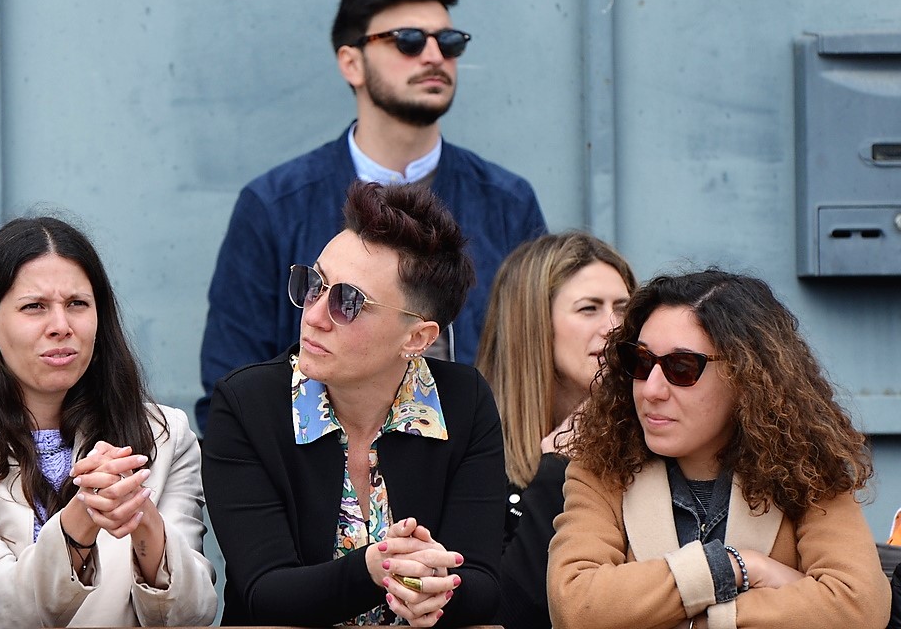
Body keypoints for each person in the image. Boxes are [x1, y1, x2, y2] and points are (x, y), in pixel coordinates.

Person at [195, 0, 546, 431]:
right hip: (315, 470)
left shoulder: (508, 202)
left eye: (449, 42)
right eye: (408, 40)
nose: (434, 56)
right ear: (351, 63)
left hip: (485, 465)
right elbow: (231, 387)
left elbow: (540, 366)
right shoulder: (274, 205)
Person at [204, 181, 504, 627]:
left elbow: (483, 583)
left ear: (417, 338)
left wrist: (435, 588)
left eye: (348, 302)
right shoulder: (246, 405)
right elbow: (263, 590)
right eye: (314, 284)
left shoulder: (464, 401)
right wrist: (374, 569)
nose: (314, 315)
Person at [0, 216, 217, 628]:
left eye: (77, 304)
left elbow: (193, 614)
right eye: (34, 307)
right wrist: (81, 518)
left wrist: (142, 518)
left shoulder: (165, 435)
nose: (61, 327)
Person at [547, 269, 890, 629]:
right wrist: (731, 567)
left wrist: (706, 618)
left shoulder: (806, 469)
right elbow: (574, 605)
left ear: (746, 377)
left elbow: (859, 606)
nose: (651, 390)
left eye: (681, 368)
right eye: (642, 362)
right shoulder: (602, 469)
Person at [473, 231, 635, 629]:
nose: (614, 327)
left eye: (624, 308)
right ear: (532, 326)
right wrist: (557, 469)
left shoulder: (654, 436)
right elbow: (503, 612)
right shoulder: (471, 450)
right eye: (589, 309)